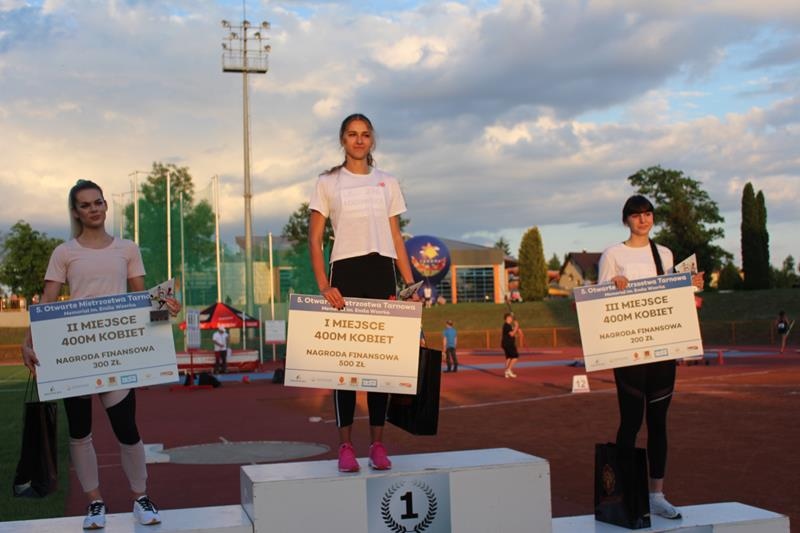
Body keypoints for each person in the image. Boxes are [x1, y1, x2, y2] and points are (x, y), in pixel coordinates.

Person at [21, 180, 181, 530]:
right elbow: (47, 302)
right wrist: (28, 341)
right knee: (80, 432)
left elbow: (141, 300)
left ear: (106, 205)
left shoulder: (127, 248)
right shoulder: (64, 252)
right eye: (85, 205)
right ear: (76, 212)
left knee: (127, 429)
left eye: (98, 202)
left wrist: (167, 308)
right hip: (76, 354)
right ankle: (95, 502)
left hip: (117, 352)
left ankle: (141, 497)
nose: (93, 209)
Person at [309, 113, 418, 473]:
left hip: (381, 273)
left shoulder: (388, 182)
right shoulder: (328, 182)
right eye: (353, 134)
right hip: (345, 273)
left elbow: (396, 237)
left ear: (372, 140)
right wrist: (324, 284)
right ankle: (345, 446)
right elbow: (314, 238)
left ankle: (377, 445)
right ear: (342, 139)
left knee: (379, 367)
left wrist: (409, 284)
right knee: (344, 367)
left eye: (365, 134)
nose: (359, 140)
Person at [597, 194, 704, 520]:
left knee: (658, 423)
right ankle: (623, 494)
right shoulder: (613, 254)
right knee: (631, 422)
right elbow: (598, 302)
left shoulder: (665, 253)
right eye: (636, 215)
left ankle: (657, 494)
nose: (643, 219)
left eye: (647, 214)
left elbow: (672, 297)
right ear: (626, 219)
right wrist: (613, 284)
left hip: (662, 351)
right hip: (628, 353)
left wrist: (691, 285)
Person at [501, 312, 520, 378]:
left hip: (506, 343)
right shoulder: (507, 325)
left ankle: (507, 372)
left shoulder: (508, 326)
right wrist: (516, 326)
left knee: (509, 358)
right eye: (510, 317)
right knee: (515, 357)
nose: (511, 318)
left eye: (511, 317)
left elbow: (512, 334)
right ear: (507, 318)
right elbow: (512, 334)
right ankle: (509, 370)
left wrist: (516, 331)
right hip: (508, 344)